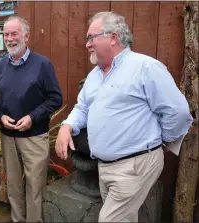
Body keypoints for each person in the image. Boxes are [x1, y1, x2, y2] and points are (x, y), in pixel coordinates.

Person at [55, 11, 193, 222]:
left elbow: (179, 112)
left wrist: (164, 139)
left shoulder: (145, 67)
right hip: (105, 165)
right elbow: (82, 107)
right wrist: (67, 126)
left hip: (134, 164)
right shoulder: (94, 76)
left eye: (91, 37)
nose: (87, 44)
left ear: (113, 37)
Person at [0, 15, 63, 223]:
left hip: (35, 137)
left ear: (26, 36)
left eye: (14, 33)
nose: (10, 39)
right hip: (7, 137)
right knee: (13, 186)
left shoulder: (42, 65)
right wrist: (1, 117)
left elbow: (55, 98)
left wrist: (32, 117)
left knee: (35, 186)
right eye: (6, 34)